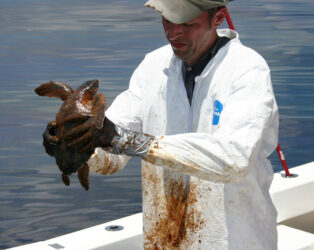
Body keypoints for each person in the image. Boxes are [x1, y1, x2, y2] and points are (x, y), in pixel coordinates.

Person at [43, 0, 279, 249]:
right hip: (165, 239)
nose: (173, 32)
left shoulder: (247, 71)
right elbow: (112, 154)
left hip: (235, 241)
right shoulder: (153, 67)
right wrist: (79, 144)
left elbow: (234, 159)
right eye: (167, 19)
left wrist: (130, 141)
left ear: (218, 18)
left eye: (188, 23)